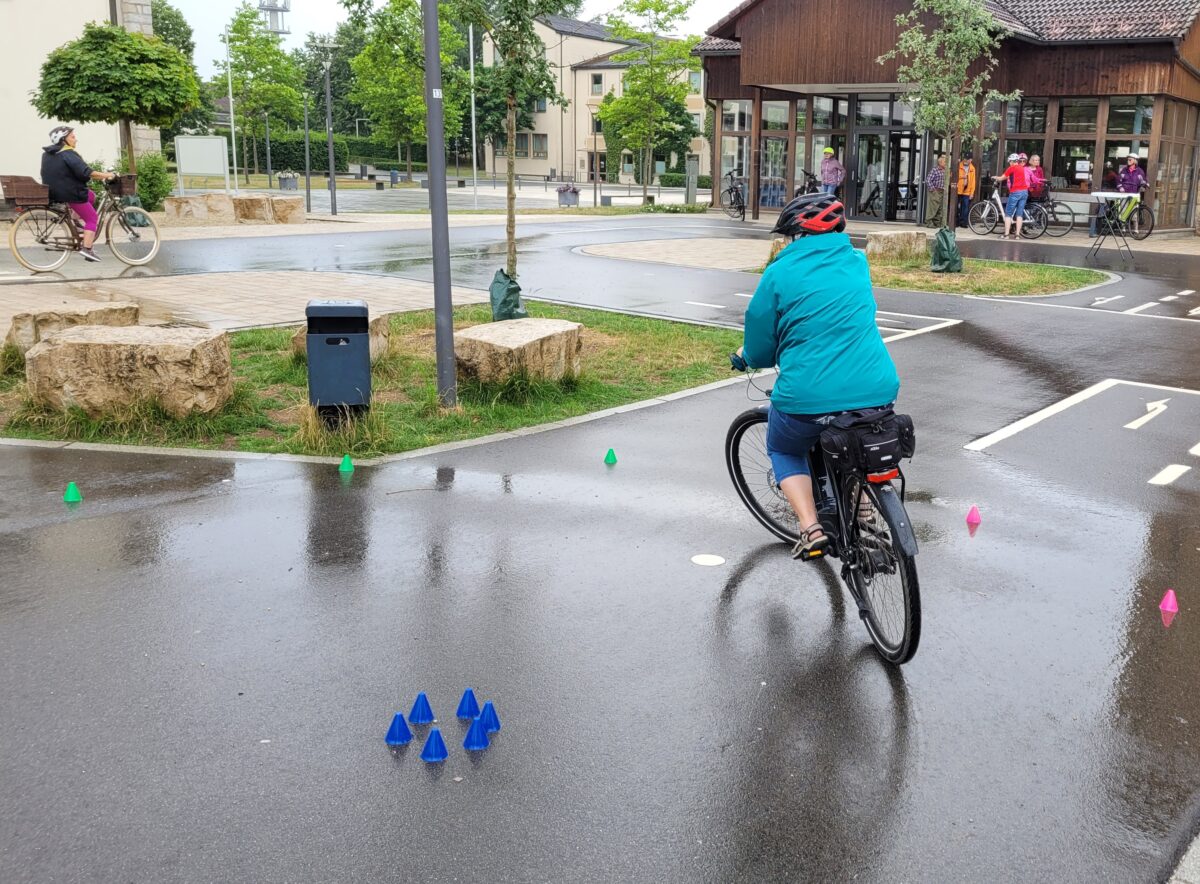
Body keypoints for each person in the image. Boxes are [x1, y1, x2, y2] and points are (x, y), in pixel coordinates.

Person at [736, 192, 900, 560]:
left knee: (784, 448)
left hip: (807, 395)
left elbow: (761, 342)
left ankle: (811, 528)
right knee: (857, 440)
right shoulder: (859, 262)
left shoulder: (779, 272)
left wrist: (747, 357)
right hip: (877, 388)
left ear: (798, 234)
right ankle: (862, 504)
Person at [40, 126, 116, 262]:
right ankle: (87, 249)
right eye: (73, 137)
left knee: (91, 195)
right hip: (70, 192)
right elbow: (86, 172)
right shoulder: (67, 153)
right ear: (64, 139)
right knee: (92, 218)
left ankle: (75, 221)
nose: (76, 139)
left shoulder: (48, 154)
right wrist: (107, 175)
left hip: (55, 191)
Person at [994, 152, 1030, 238]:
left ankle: (1006, 234)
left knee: (1008, 213)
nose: (1009, 163)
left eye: (1009, 161)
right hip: (1024, 192)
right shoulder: (1022, 168)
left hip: (1015, 192)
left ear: (1012, 161)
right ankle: (1017, 235)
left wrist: (994, 177)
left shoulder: (1011, 168)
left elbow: (1001, 178)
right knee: (1019, 214)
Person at [924, 154, 947, 228]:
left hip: (942, 191)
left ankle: (937, 223)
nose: (946, 164)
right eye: (945, 162)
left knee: (940, 207)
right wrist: (933, 189)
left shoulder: (946, 171)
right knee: (933, 207)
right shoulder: (935, 170)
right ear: (940, 163)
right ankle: (929, 222)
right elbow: (928, 180)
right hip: (935, 190)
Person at [956, 154, 976, 229]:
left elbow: (973, 181)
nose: (966, 160)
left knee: (965, 208)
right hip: (958, 190)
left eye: (968, 159)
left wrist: (972, 193)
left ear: (971, 160)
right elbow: (953, 175)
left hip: (967, 191)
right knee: (956, 207)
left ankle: (963, 222)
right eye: (965, 159)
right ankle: (956, 221)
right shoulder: (959, 165)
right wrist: (963, 177)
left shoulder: (972, 168)